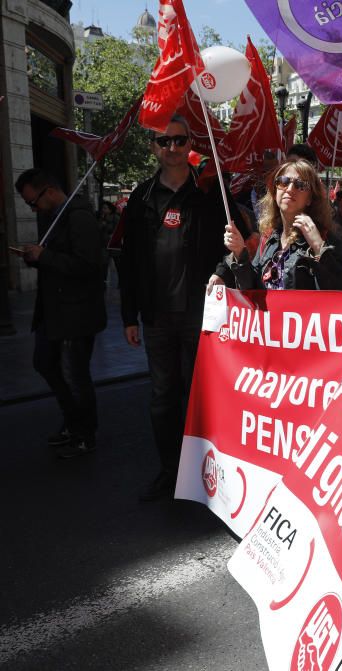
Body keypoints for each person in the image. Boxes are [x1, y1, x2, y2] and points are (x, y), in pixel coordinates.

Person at [118, 115, 236, 501]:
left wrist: (222, 270)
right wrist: (127, 314)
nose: (171, 148)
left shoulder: (210, 191)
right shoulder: (141, 196)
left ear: (189, 145)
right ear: (153, 147)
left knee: (199, 394)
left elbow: (238, 244)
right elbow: (129, 259)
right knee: (162, 396)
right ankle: (170, 471)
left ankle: (203, 471)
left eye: (179, 140)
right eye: (163, 141)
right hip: (155, 315)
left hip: (200, 312)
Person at [14, 169, 107, 458]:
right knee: (45, 363)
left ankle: (84, 434)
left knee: (74, 375)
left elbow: (89, 266)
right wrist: (35, 258)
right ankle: (73, 422)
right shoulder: (51, 217)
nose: (32, 208)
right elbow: (56, 262)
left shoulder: (79, 217)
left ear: (50, 191)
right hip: (53, 312)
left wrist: (46, 257)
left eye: (33, 202)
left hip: (76, 314)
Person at [222, 159, 342, 291]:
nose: (290, 189)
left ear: (310, 198)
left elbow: (337, 291)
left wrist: (318, 247)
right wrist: (240, 253)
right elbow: (251, 289)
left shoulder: (325, 238)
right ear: (275, 193)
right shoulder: (268, 238)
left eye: (300, 185)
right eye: (283, 182)